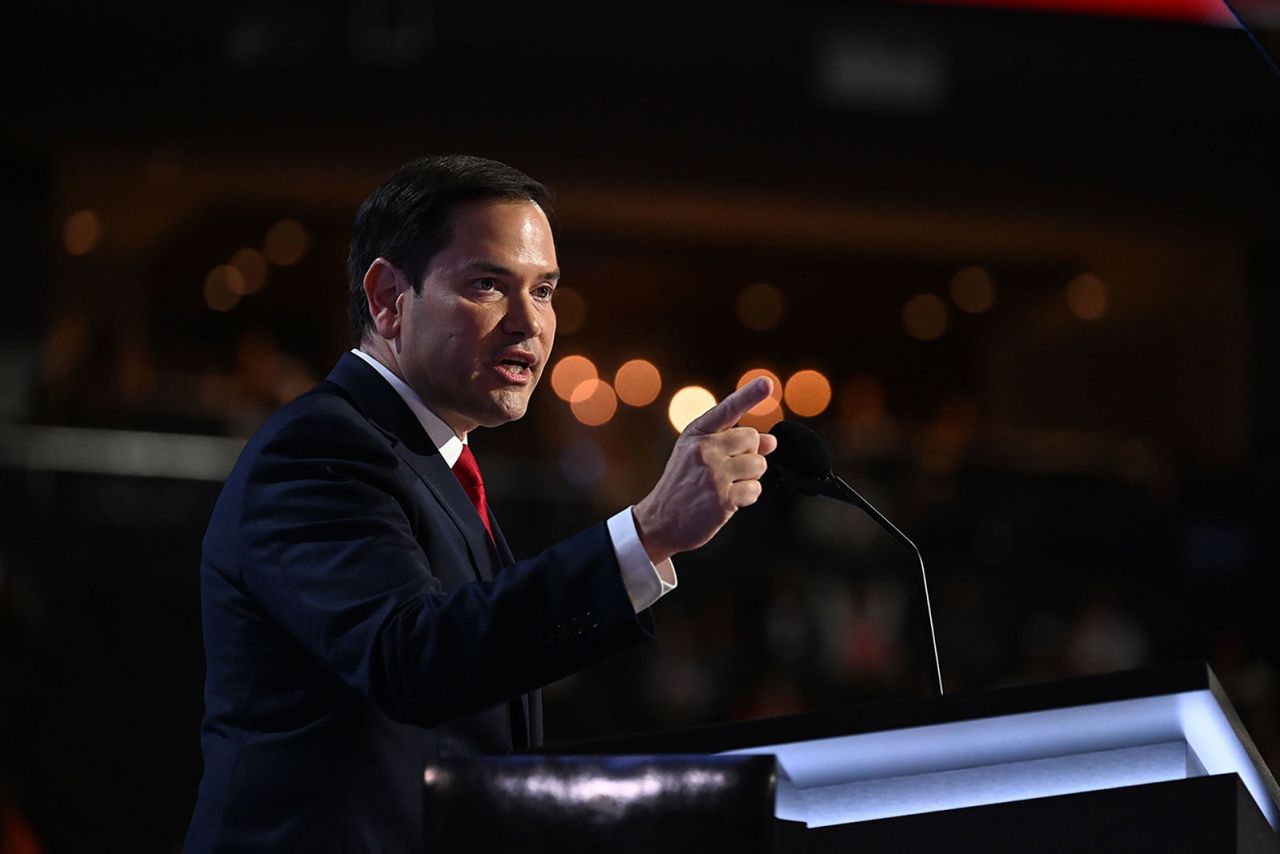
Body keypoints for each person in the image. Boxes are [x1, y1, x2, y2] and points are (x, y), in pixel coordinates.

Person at [183, 155, 776, 852]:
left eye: (546, 290)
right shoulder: (318, 451)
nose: (530, 324)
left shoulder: (434, 456)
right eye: (488, 285)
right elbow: (415, 659)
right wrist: (645, 534)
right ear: (387, 298)